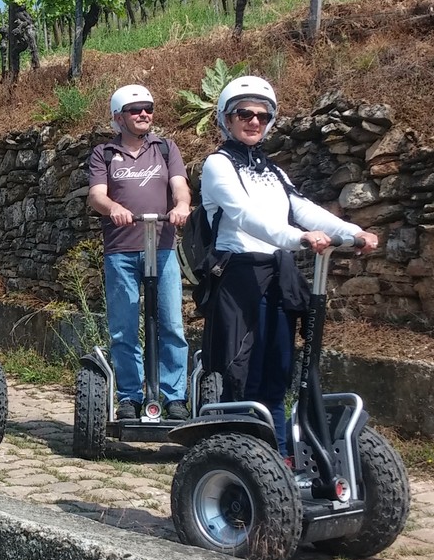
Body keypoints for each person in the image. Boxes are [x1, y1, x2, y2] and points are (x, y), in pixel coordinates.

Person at [198, 75, 378, 454]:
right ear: (226, 119)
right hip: (239, 278)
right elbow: (245, 215)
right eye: (244, 113)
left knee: (278, 376)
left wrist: (353, 232)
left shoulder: (272, 170)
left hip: (278, 276)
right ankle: (243, 457)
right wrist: (298, 238)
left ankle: (280, 458)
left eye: (263, 117)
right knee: (243, 376)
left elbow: (304, 208)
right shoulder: (217, 165)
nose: (254, 121)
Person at [87, 84, 192, 420]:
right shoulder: (103, 153)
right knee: (124, 328)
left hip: (162, 249)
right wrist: (112, 207)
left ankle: (174, 396)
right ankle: (130, 397)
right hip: (121, 250)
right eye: (135, 110)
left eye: (148, 108)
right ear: (119, 117)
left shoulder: (165, 148)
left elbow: (180, 186)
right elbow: (96, 196)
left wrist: (182, 206)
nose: (144, 114)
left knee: (172, 324)